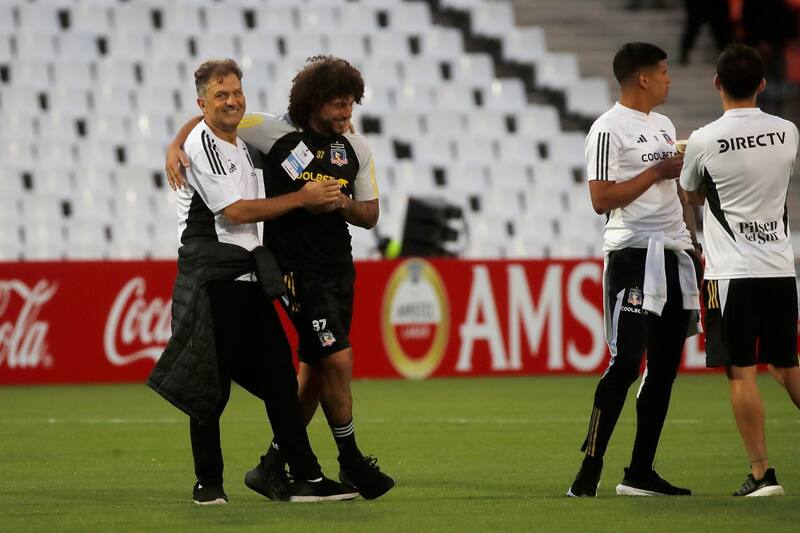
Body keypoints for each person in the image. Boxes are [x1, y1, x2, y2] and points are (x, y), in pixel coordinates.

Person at [165, 56, 395, 501]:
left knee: (306, 370)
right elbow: (210, 121)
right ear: (313, 101)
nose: (347, 114)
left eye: (351, 104)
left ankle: (276, 467)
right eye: (337, 105)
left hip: (331, 268)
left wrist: (341, 204)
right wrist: (175, 144)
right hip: (286, 269)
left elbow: (370, 214)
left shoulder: (357, 148)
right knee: (335, 360)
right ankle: (346, 461)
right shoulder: (270, 130)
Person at [567, 42, 702, 498]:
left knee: (664, 368)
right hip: (631, 255)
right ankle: (590, 466)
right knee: (626, 362)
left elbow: (675, 189)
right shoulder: (607, 130)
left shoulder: (663, 125)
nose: (669, 78)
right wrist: (658, 172)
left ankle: (639, 472)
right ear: (642, 78)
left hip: (673, 254)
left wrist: (691, 234)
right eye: (663, 71)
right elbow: (600, 199)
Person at [679, 43, 800, 497]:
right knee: (787, 367)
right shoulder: (787, 131)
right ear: (763, 84)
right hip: (778, 267)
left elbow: (691, 195)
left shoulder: (705, 139)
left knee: (741, 370)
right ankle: (761, 473)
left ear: (716, 83)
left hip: (731, 272)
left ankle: (761, 473)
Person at [679, 0, 732, 65]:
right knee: (693, 27)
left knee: (719, 28)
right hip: (698, 4)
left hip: (713, 5)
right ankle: (684, 52)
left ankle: (726, 54)